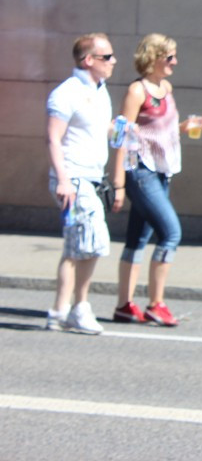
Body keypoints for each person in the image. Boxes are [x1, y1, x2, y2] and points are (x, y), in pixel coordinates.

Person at [110, 34, 202, 327]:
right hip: (140, 172)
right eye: (170, 57)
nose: (175, 62)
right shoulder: (137, 92)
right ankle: (156, 304)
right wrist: (118, 183)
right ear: (154, 58)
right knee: (171, 233)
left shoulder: (166, 87)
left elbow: (160, 132)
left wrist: (183, 128)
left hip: (162, 169)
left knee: (137, 239)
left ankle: (124, 305)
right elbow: (121, 136)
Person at [45, 32, 119, 334]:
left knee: (76, 245)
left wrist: (120, 131)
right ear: (88, 60)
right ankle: (80, 307)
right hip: (74, 180)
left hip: (90, 176)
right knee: (94, 241)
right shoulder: (67, 93)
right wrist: (63, 180)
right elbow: (53, 137)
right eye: (107, 57)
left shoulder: (100, 90)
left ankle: (59, 311)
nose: (113, 62)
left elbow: (103, 131)